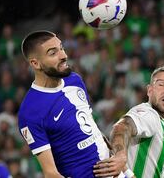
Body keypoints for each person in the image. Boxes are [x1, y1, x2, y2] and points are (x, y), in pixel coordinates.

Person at [18, 30, 115, 177]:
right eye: (53, 53)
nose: (64, 56)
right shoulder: (30, 113)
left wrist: (126, 171)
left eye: (61, 48)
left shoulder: (74, 80)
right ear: (35, 63)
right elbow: (51, 173)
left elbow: (92, 128)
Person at [94, 66, 164, 178]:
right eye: (161, 85)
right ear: (149, 90)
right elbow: (122, 127)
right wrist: (120, 155)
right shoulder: (150, 114)